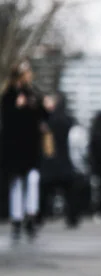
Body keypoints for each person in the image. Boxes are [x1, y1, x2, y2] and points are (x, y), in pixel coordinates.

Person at [0, 61, 49, 241]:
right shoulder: (9, 95)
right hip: (14, 148)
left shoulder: (32, 93)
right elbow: (7, 118)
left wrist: (43, 107)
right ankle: (17, 218)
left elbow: (42, 115)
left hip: (30, 147)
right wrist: (17, 107)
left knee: (32, 180)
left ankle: (30, 214)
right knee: (17, 183)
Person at [39, 93, 80, 228]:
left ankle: (39, 217)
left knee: (45, 192)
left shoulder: (49, 120)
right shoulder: (66, 119)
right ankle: (72, 218)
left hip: (51, 162)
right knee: (69, 193)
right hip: (63, 162)